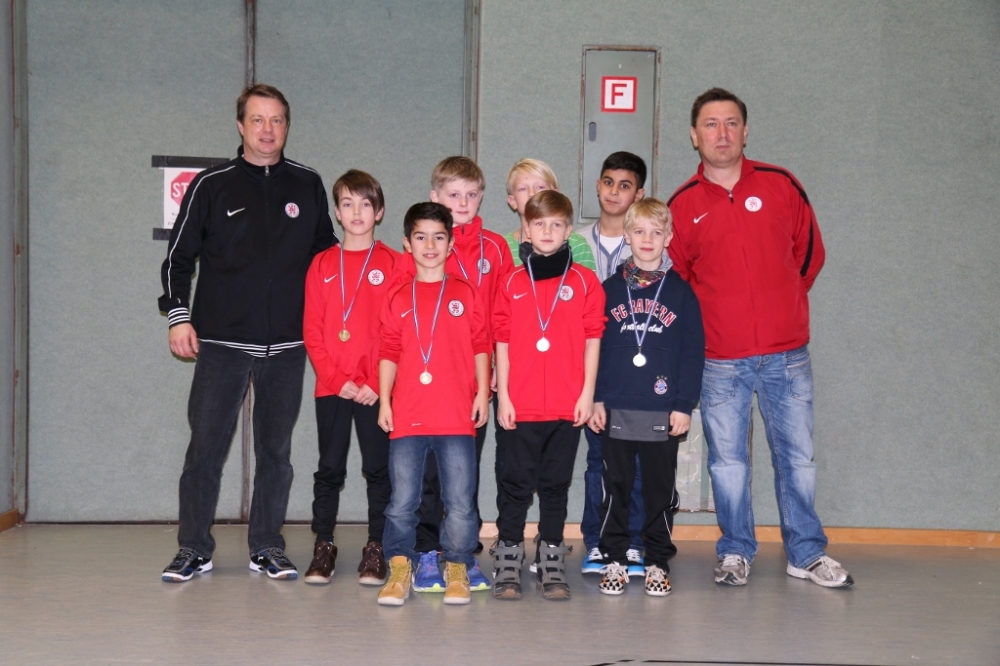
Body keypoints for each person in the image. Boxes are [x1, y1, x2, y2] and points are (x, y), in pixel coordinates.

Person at [667, 87, 852, 588]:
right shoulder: (682, 205)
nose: (722, 133)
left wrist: (781, 304)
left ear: (746, 132)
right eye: (710, 124)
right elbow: (678, 282)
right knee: (728, 464)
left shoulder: (781, 184)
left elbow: (809, 256)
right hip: (719, 359)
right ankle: (735, 551)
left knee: (798, 460)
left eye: (731, 123)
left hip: (786, 355)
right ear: (694, 136)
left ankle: (806, 553)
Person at [158, 83, 336, 582]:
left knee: (276, 454)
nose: (267, 130)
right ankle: (193, 548)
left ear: (287, 126)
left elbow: (326, 260)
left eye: (277, 120)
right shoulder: (211, 184)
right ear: (240, 126)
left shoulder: (307, 183)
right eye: (257, 120)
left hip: (288, 346)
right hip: (220, 344)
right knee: (205, 451)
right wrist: (178, 315)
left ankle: (267, 546)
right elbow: (178, 258)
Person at [401, 156, 513, 594]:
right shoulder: (423, 248)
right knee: (428, 474)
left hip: (474, 382)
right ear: (435, 197)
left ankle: (459, 553)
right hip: (427, 382)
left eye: (471, 195)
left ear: (481, 197)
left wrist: (496, 371)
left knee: (462, 473)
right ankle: (428, 550)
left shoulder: (496, 249)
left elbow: (503, 316)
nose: (463, 203)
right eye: (453, 195)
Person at [375, 202, 491, 606]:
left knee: (459, 502)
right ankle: (400, 568)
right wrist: (385, 400)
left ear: (450, 243)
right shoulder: (397, 296)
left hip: (456, 416)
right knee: (402, 503)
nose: (430, 245)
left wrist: (482, 391)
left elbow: (481, 345)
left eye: (439, 237)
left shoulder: (465, 292)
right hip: (408, 415)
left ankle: (457, 566)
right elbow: (388, 351)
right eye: (421, 237)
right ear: (407, 243)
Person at [492, 190, 606, 601]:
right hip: (520, 404)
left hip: (566, 403)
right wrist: (505, 397)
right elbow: (501, 340)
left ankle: (551, 556)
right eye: (539, 224)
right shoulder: (510, 282)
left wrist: (587, 394)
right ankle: (508, 555)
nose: (547, 231)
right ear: (526, 228)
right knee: (515, 484)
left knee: (556, 485)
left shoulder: (585, 283)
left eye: (556, 224)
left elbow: (593, 340)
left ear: (568, 230)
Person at [588, 199, 704, 597]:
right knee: (616, 487)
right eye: (639, 231)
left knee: (659, 490)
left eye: (657, 232)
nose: (648, 239)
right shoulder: (608, 290)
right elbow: (596, 349)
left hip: (662, 408)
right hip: (616, 406)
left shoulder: (681, 294)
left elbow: (692, 354)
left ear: (668, 237)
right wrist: (597, 398)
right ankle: (615, 559)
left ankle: (656, 561)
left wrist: (683, 404)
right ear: (627, 236)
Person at [302, 170, 399, 586]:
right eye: (347, 204)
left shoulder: (395, 263)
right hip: (332, 387)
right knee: (329, 469)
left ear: (379, 211)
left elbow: (398, 330)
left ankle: (376, 546)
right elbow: (312, 329)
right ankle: (323, 544)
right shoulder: (322, 264)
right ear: (337, 213)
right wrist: (334, 377)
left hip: (377, 389)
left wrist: (376, 383)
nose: (356, 212)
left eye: (365, 204)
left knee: (379, 470)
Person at [576, 151, 650, 576]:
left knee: (635, 462)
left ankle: (634, 542)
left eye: (625, 185)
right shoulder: (574, 242)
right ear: (598, 185)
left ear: (638, 194)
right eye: (608, 182)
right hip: (586, 372)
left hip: (632, 374)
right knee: (597, 462)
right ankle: (598, 542)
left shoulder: (646, 242)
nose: (614, 192)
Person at [503, 158, 596, 270]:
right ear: (512, 201)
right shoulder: (502, 246)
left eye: (540, 187)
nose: (532, 193)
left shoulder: (577, 245)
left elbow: (587, 280)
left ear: (555, 196)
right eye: (522, 189)